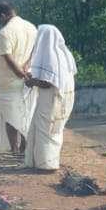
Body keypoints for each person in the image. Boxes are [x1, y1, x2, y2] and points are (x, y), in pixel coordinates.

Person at [24, 25, 76, 172]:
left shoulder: (50, 56)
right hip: (62, 100)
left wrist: (32, 82)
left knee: (45, 131)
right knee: (53, 131)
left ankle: (45, 164)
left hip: (51, 100)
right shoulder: (63, 54)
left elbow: (47, 83)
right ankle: (45, 162)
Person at [0, 1, 37, 156]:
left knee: (10, 118)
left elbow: (9, 59)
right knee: (26, 116)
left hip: (11, 81)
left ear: (4, 15)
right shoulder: (31, 27)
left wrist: (20, 73)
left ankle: (15, 150)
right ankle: (25, 149)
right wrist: (26, 67)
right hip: (28, 80)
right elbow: (34, 51)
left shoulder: (5, 32)